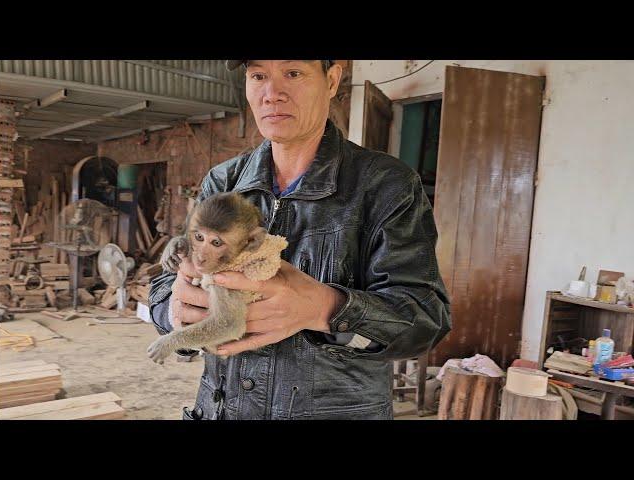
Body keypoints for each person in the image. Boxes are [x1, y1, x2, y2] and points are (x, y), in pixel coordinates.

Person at [149, 60, 451, 420]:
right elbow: (170, 278)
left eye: (293, 73)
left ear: (332, 80)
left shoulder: (386, 184)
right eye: (258, 76)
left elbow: (425, 321)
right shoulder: (224, 181)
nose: (271, 94)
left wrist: (324, 308)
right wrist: (175, 311)